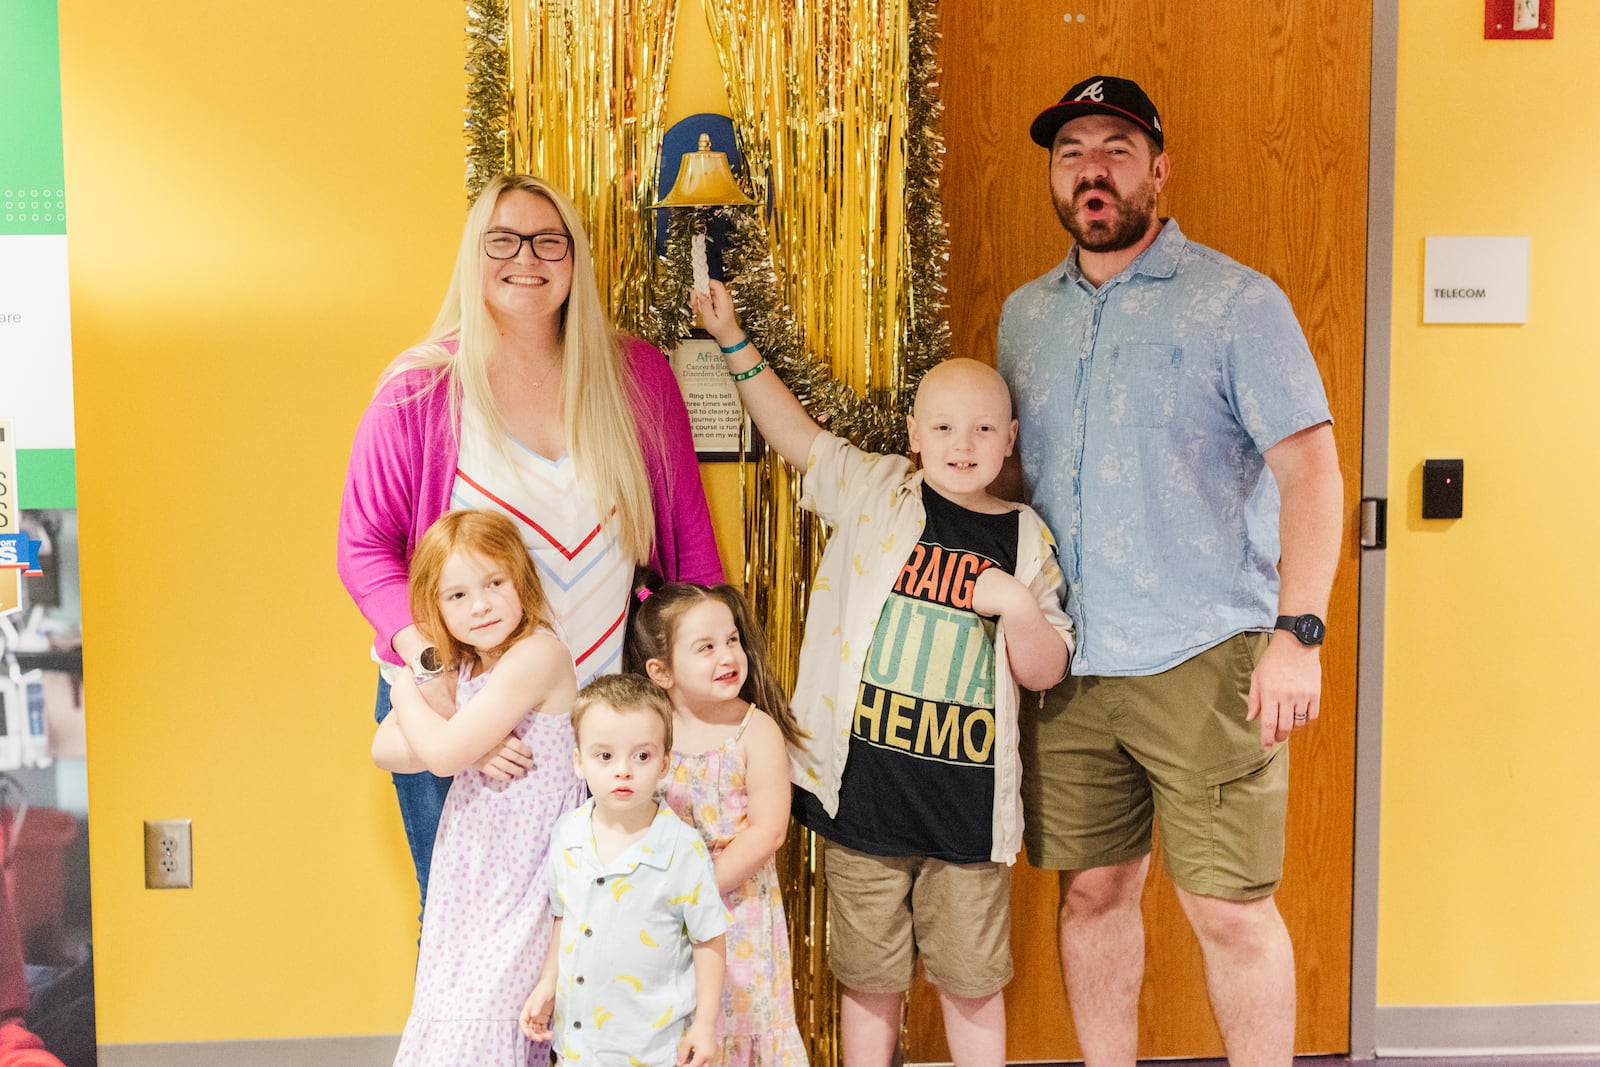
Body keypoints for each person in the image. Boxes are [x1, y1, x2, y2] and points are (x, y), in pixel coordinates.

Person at [998, 75, 1344, 1066]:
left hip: (1207, 656)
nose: (1091, 170)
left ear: (1157, 168)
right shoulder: (1026, 317)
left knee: (1230, 908)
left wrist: (1298, 632)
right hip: (1069, 664)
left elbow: (1311, 470)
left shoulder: (1238, 301)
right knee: (1093, 891)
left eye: (1114, 148)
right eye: (1071, 153)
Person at [692, 282, 1074, 1067]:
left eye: (980, 428)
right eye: (941, 426)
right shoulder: (877, 492)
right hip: (863, 801)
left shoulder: (1027, 538)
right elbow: (795, 434)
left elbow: (1044, 672)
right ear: (913, 435)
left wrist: (1020, 610)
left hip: (965, 823)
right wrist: (732, 341)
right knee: (869, 980)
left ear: (1010, 439)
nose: (961, 443)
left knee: (971, 983)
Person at [338, 173, 722, 907]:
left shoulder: (635, 375)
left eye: (550, 241)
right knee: (469, 935)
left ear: (575, 260)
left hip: (606, 723)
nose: (528, 258)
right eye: (503, 240)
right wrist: (431, 671)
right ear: (472, 257)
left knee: (603, 933)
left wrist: (704, 695)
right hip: (468, 712)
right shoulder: (421, 389)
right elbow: (363, 547)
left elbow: (690, 552)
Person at [372, 509, 585, 1065]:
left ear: (522, 582)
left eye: (495, 583)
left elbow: (438, 756)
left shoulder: (538, 654)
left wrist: (402, 696)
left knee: (493, 1018)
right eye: (458, 596)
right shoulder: (463, 665)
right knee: (450, 1014)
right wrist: (473, 744)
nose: (482, 605)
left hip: (523, 875)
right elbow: (382, 750)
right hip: (470, 870)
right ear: (435, 607)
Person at [626, 582, 810, 1067]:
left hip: (735, 910)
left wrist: (698, 890)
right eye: (706, 648)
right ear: (661, 672)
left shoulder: (755, 730)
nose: (728, 655)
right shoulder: (648, 731)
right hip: (661, 912)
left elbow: (768, 830)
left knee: (740, 1023)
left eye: (731, 640)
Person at [520, 673, 728, 1067]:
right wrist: (549, 982)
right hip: (577, 1046)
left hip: (650, 1049)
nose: (624, 771)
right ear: (579, 762)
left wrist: (705, 1024)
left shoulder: (682, 849)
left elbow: (709, 939)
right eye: (605, 756)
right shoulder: (568, 834)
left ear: (665, 762)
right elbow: (564, 916)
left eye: (642, 756)